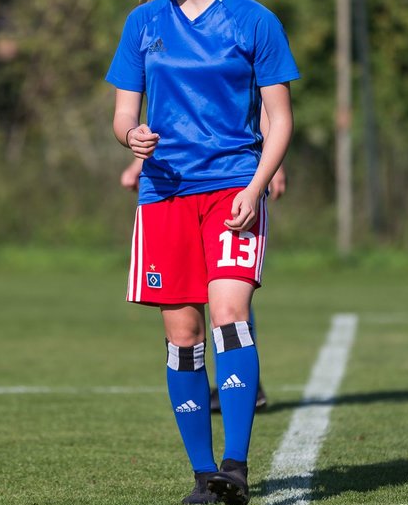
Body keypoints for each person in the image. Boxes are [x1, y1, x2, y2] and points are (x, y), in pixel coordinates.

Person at [105, 0, 298, 505]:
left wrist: (256, 183)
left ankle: (237, 466)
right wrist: (129, 136)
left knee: (228, 315)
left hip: (230, 187)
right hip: (164, 194)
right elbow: (122, 116)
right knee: (182, 332)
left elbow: (279, 117)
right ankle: (203, 474)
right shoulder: (143, 24)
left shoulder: (254, 21)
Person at [119, 139, 285, 415]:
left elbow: (264, 108)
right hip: (177, 187)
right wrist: (139, 160)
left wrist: (275, 164)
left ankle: (236, 382)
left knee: (230, 301)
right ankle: (230, 385)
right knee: (196, 315)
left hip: (232, 178)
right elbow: (174, 117)